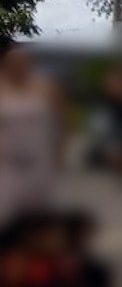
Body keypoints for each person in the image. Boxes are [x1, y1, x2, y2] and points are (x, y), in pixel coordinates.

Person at [0, 35, 64, 227]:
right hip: (8, 163)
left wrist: (58, 153)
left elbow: (62, 122)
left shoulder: (45, 86)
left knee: (37, 218)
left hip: (39, 160)